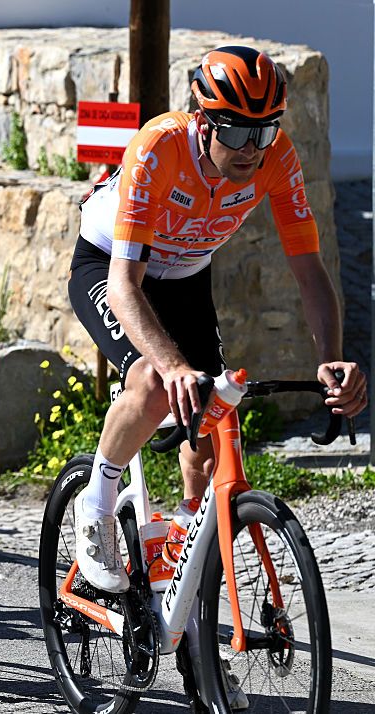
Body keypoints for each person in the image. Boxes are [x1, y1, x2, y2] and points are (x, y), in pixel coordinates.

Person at [70, 45, 368, 595]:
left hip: (185, 275)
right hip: (113, 264)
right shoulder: (159, 146)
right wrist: (173, 364)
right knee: (155, 380)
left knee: (207, 441)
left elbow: (310, 273)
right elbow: (123, 286)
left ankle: (187, 580)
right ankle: (96, 501)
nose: (252, 149)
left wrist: (331, 358)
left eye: (265, 130)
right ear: (203, 123)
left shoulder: (277, 157)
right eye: (235, 133)